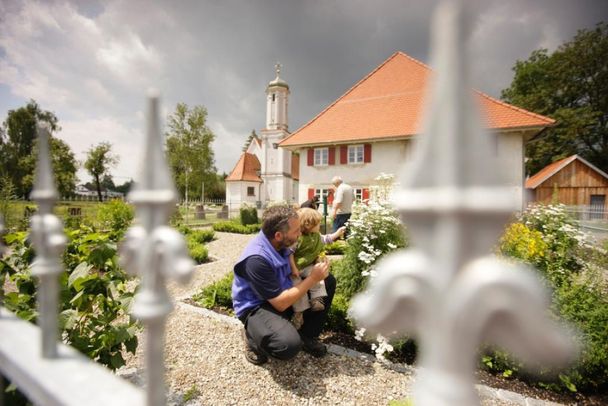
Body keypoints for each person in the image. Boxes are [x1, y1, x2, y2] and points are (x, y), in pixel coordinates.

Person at [231, 205, 335, 365]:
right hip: (258, 305)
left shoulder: (278, 242)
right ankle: (252, 338)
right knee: (287, 345)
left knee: (328, 281)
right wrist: (312, 278)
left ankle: (308, 335)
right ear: (279, 235)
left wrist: (316, 265)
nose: (300, 234)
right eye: (296, 231)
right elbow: (280, 303)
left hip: (280, 293)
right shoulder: (257, 260)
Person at [289, 208, 345, 329]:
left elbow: (327, 239)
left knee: (318, 275)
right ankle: (299, 313)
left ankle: (316, 299)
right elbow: (290, 254)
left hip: (308, 266)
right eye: (318, 223)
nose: (320, 225)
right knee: (298, 288)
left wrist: (337, 233)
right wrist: (293, 269)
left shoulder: (316, 236)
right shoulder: (298, 238)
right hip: (296, 268)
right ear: (308, 225)